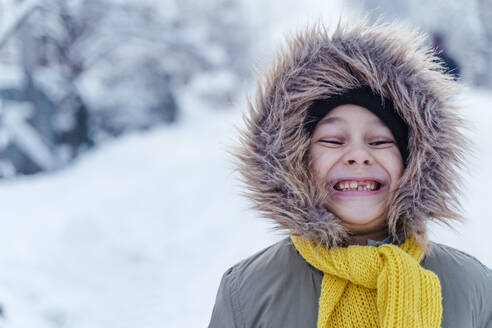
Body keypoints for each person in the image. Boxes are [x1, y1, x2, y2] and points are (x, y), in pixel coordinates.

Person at [208, 19, 492, 328]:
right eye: (332, 140)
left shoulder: (473, 287)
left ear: (414, 162)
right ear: (296, 160)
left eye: (380, 141)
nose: (358, 156)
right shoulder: (247, 292)